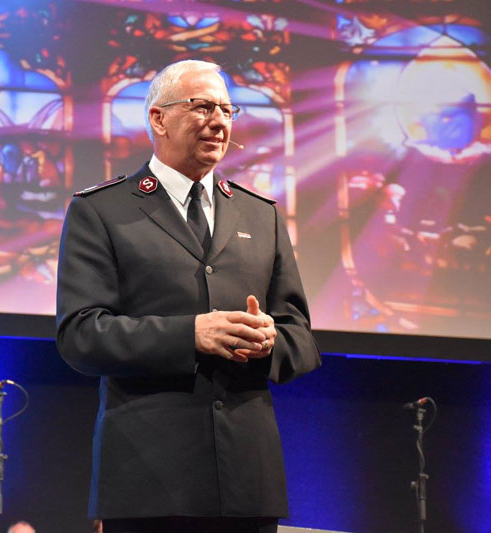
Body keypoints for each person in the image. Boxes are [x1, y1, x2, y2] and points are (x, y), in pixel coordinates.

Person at [55, 59, 321, 533]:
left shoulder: (262, 216)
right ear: (158, 119)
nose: (219, 121)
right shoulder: (102, 210)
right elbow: (81, 334)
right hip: (149, 481)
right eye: (202, 107)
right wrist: (191, 334)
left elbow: (300, 337)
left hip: (247, 484)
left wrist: (268, 342)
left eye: (226, 109)